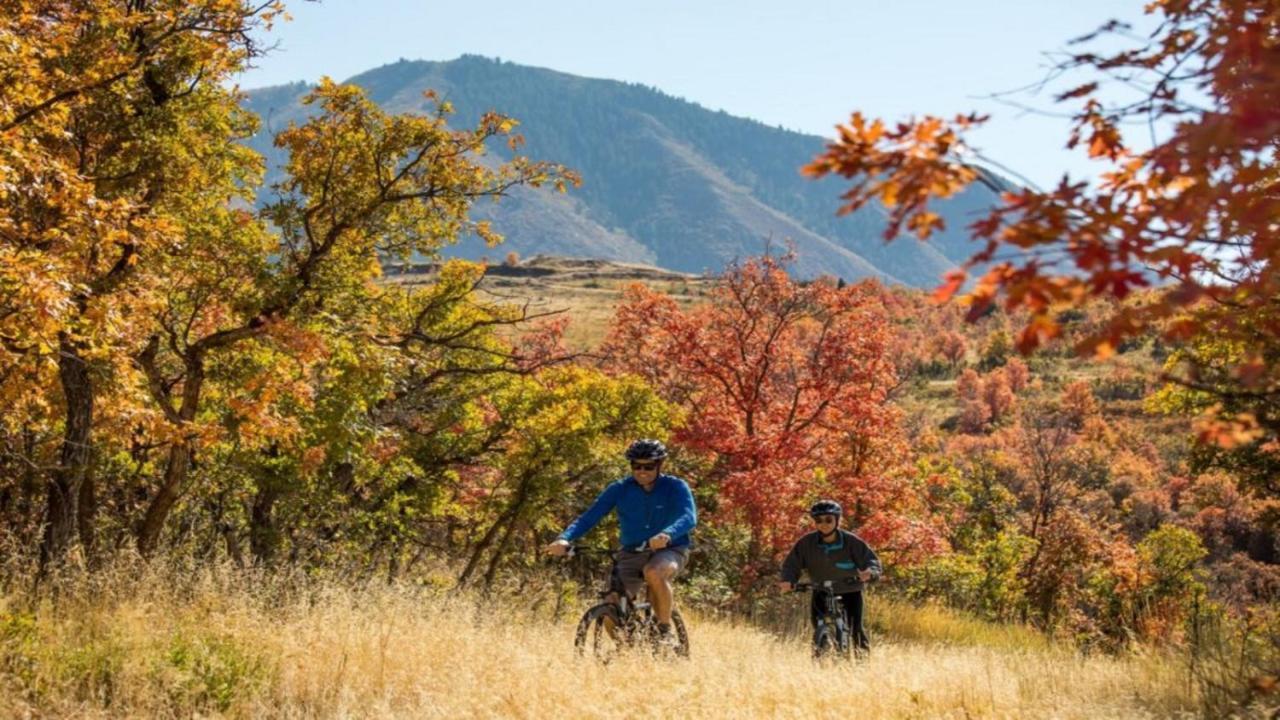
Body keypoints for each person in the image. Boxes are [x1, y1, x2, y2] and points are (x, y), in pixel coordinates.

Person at [544, 439, 696, 644]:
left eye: (648, 466)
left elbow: (688, 517)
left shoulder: (676, 487)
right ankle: (628, 648)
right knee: (611, 605)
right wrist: (564, 538)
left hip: (669, 548)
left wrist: (667, 534)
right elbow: (590, 516)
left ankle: (664, 630)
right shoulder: (619, 489)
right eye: (636, 465)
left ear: (660, 465)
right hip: (632, 551)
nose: (642, 471)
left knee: (655, 572)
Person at [777, 499, 882, 656]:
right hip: (820, 590)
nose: (823, 524)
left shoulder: (851, 541)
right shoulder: (806, 543)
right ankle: (821, 658)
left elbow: (870, 560)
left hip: (850, 590)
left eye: (828, 519)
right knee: (818, 625)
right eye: (818, 520)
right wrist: (789, 581)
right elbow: (792, 564)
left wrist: (870, 572)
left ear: (837, 520)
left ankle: (863, 662)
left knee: (855, 628)